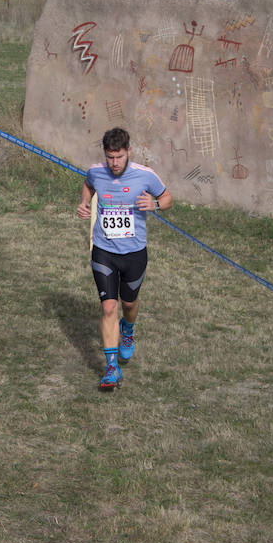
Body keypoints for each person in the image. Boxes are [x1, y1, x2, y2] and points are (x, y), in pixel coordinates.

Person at [76, 127, 173, 390]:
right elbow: (88, 184)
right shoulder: (96, 171)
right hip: (104, 251)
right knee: (109, 307)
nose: (114, 163)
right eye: (110, 157)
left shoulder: (145, 176)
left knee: (128, 304)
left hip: (134, 253)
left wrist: (154, 205)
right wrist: (85, 202)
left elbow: (166, 198)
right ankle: (111, 368)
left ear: (128, 152)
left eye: (119, 157)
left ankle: (127, 329)